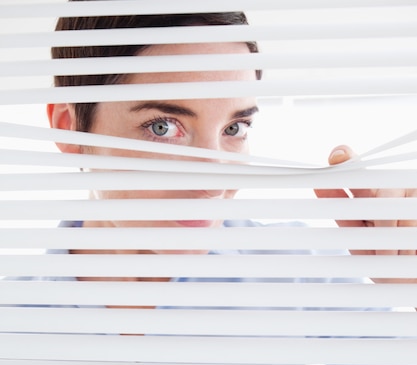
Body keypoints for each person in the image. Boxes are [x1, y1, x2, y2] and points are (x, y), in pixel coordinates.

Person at [46, 3, 416, 303]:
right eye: (163, 127)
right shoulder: (14, 316)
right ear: (70, 127)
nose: (214, 186)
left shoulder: (301, 275)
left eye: (234, 129)